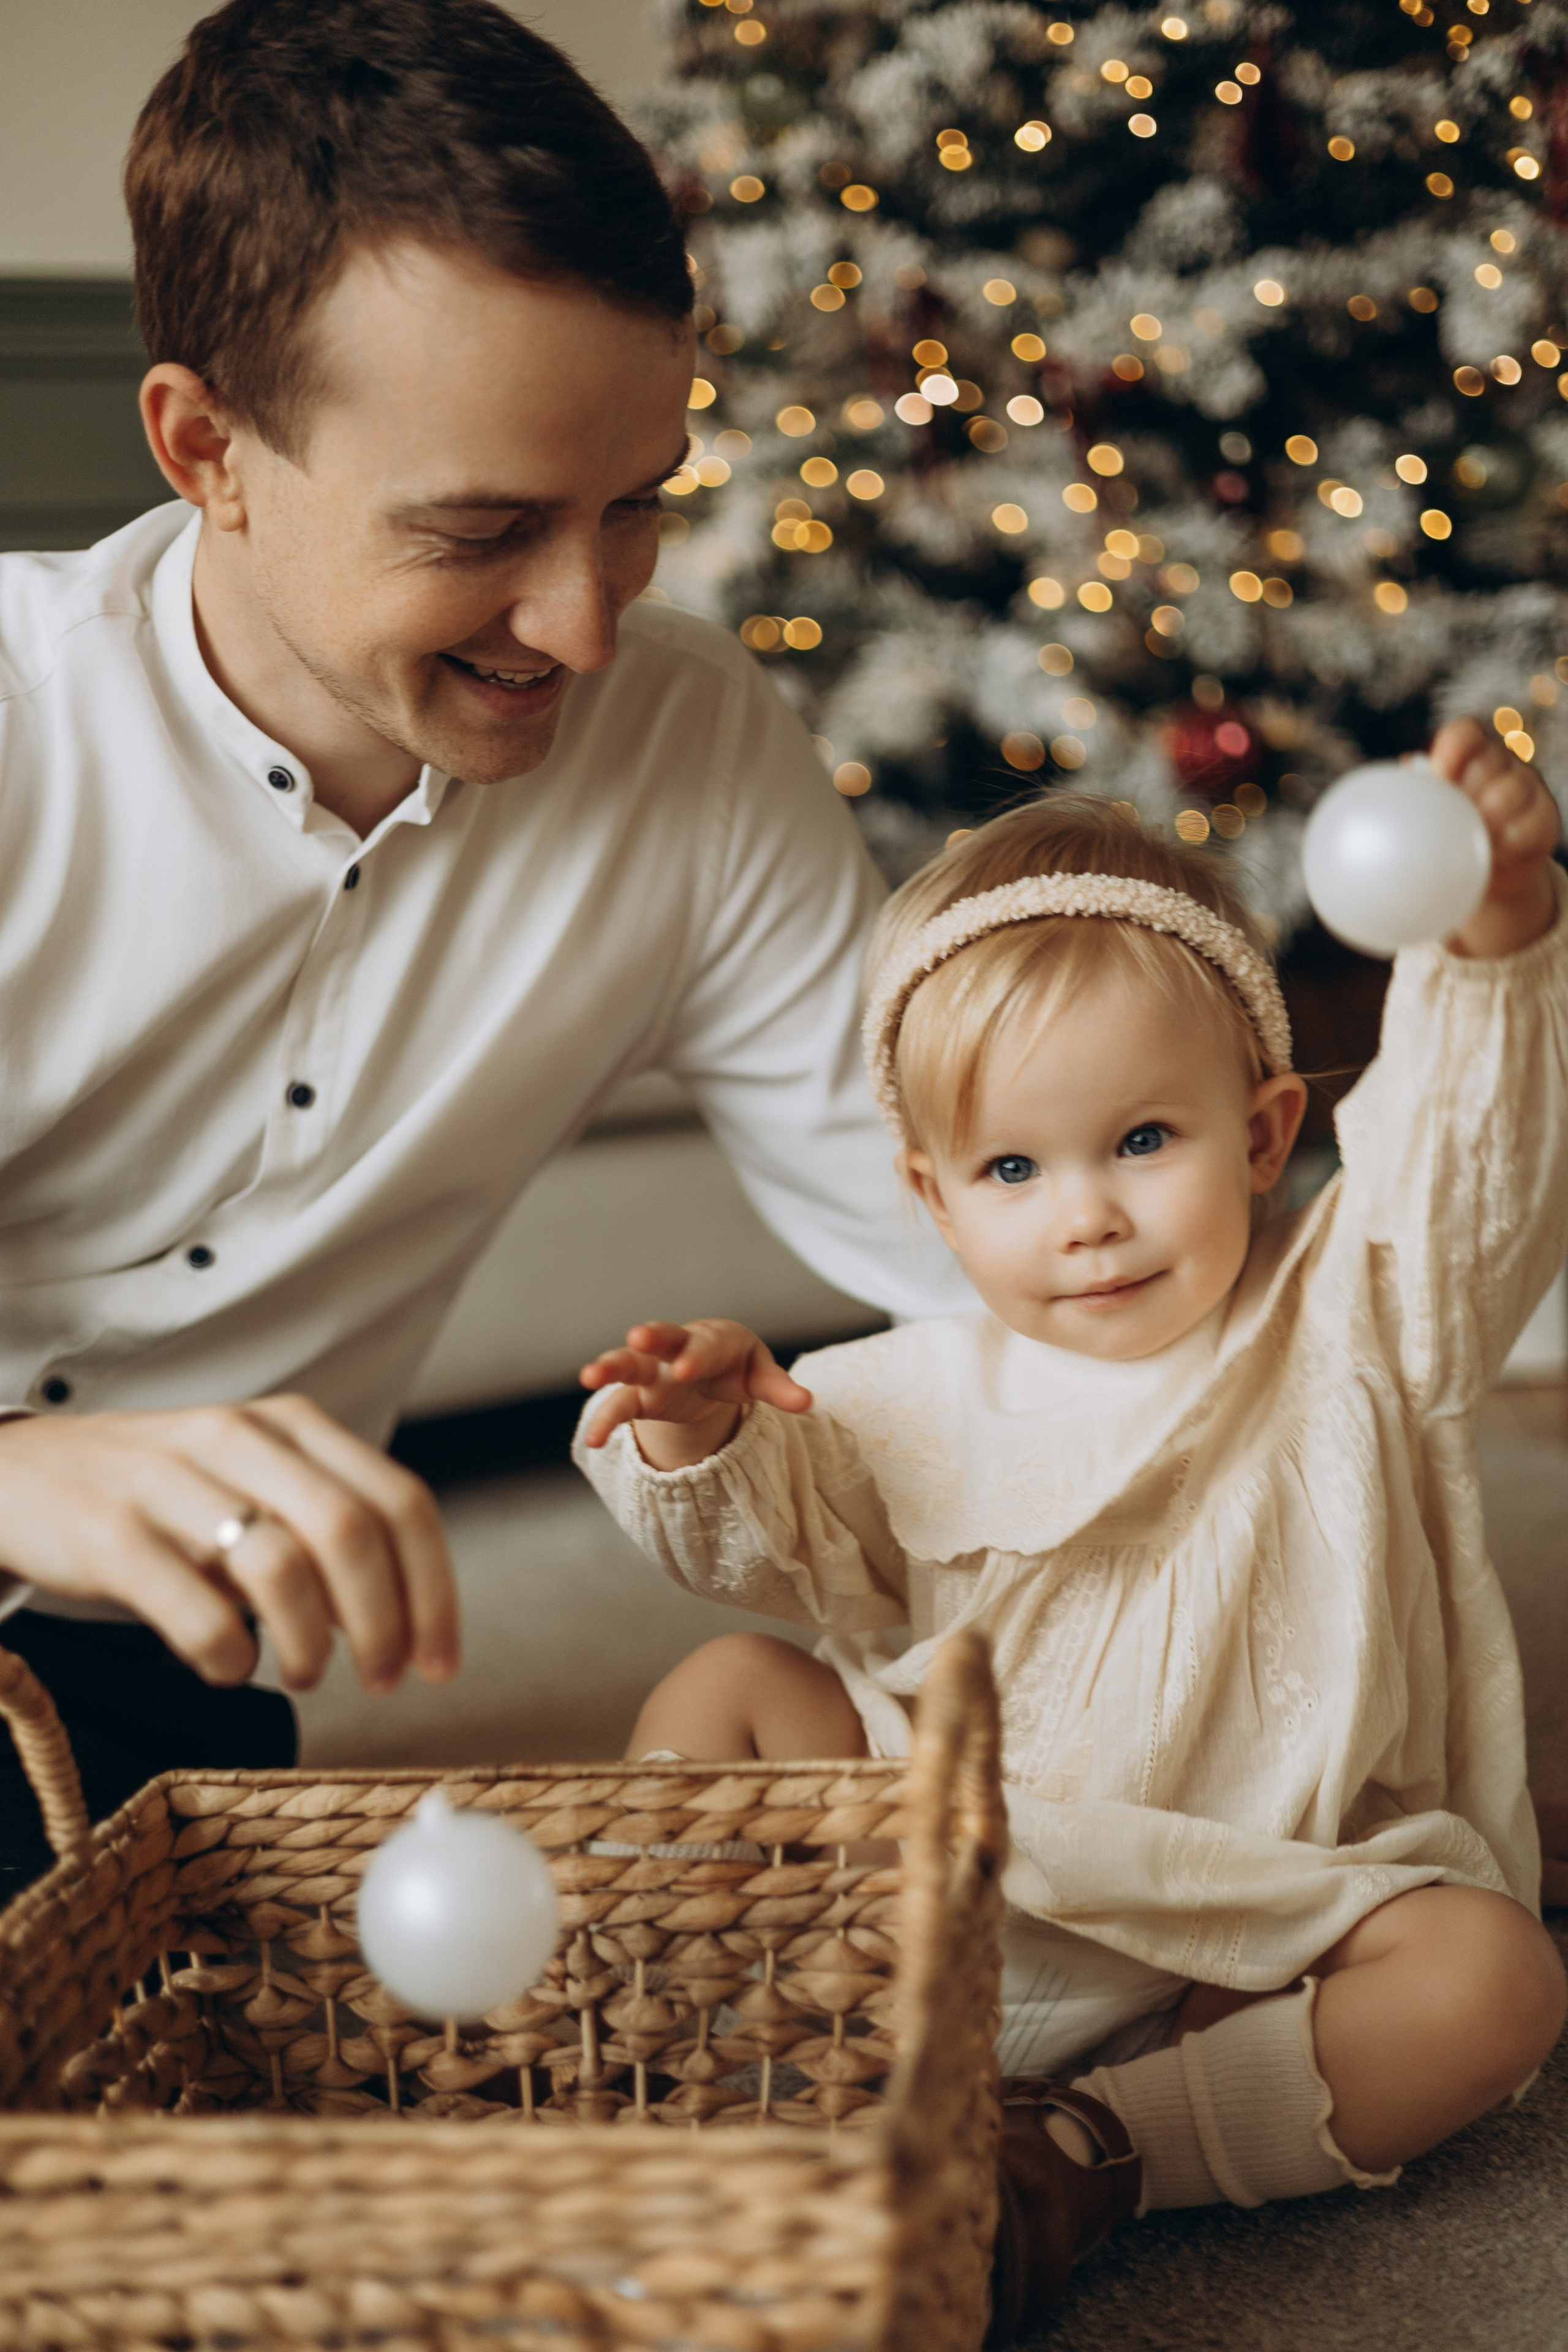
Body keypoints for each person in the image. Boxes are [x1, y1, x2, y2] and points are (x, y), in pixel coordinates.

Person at [0, 0, 968, 1893]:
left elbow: (980, 1261)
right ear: (208, 447)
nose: (583, 627)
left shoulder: (697, 763)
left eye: (636, 512)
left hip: (154, 1685)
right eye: (484, 530)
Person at [576, 726, 1568, 2335]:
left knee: (1491, 1981)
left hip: (1239, 1930)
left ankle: (1089, 2153)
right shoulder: (893, 1388)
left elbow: (1473, 1163)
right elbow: (763, 1547)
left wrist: (1497, 933)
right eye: (1014, 1168)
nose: (1086, 1215)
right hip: (934, 1880)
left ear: (1258, 1136)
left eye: (1144, 1143)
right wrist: (704, 1426)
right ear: (934, 1195)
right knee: (731, 1689)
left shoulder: (1359, 1317)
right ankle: (664, 2034)